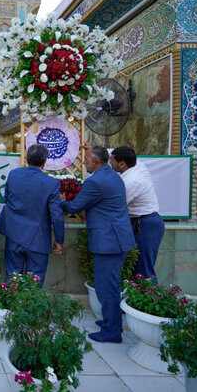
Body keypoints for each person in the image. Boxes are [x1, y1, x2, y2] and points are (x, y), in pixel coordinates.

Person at [61, 146, 135, 343]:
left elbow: (76, 206)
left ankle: (112, 332)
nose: (84, 162)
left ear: (94, 161)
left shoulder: (96, 181)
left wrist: (60, 201)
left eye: (86, 159)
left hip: (109, 242)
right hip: (117, 239)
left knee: (106, 288)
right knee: (110, 285)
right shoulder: (113, 176)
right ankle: (111, 322)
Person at [0, 144, 64, 286]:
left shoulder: (14, 175)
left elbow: (7, 198)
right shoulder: (51, 183)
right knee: (33, 284)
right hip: (38, 239)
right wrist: (59, 239)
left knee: (13, 280)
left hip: (14, 235)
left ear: (26, 159)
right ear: (44, 162)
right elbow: (56, 215)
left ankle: (12, 307)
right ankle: (27, 309)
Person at [110, 146, 164, 283]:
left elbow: (115, 206)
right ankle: (136, 302)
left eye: (112, 161)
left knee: (143, 269)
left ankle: (150, 301)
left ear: (122, 164)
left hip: (146, 224)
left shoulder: (131, 182)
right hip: (140, 222)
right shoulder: (137, 165)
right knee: (136, 268)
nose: (110, 163)